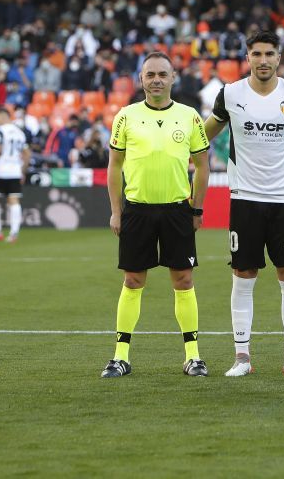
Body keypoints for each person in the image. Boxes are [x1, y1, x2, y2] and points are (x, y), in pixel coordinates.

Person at [204, 31, 284, 378]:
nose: (263, 60)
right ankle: (241, 358)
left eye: (270, 54)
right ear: (247, 57)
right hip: (244, 198)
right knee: (243, 275)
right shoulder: (230, 94)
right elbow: (203, 135)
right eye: (257, 53)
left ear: (280, 57)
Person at [101, 51, 210, 378]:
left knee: (184, 280)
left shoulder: (190, 116)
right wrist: (116, 211)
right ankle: (121, 356)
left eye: (163, 74)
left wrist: (197, 207)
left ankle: (193, 356)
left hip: (177, 210)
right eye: (151, 75)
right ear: (141, 79)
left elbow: (203, 165)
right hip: (137, 211)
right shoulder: (126, 116)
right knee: (133, 280)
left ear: (173, 78)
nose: (157, 80)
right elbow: (114, 165)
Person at [0, 107, 31, 242]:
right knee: (13, 200)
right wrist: (22, 171)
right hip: (15, 171)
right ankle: (14, 234)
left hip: (0, 169)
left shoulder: (1, 131)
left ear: (2, 116)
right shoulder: (20, 133)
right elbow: (27, 154)